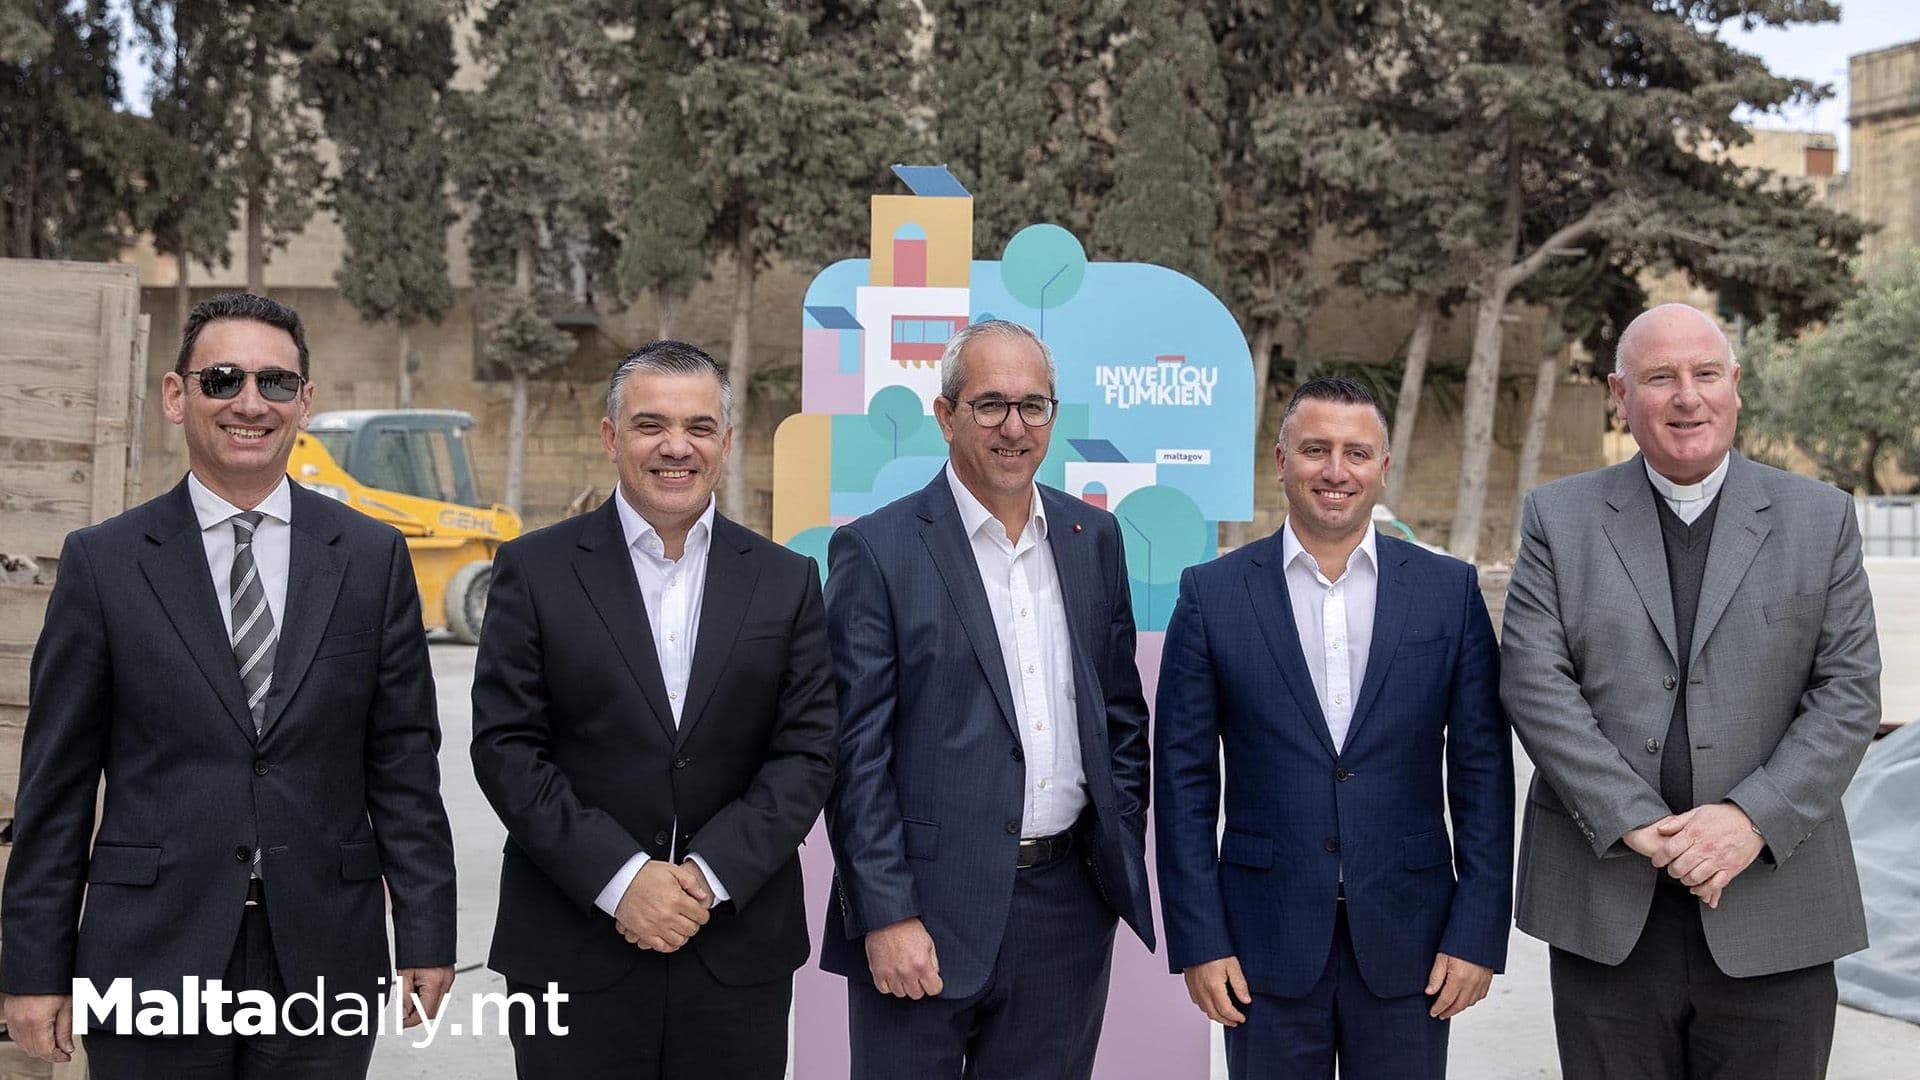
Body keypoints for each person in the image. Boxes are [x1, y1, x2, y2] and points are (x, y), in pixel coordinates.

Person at [0, 292, 457, 1077]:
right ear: (177, 397)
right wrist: (32, 967)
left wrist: (426, 930)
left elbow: (404, 764)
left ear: (304, 402)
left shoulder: (372, 558)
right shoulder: (104, 564)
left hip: (321, 952)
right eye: (222, 379)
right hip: (149, 951)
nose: (250, 402)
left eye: (275, 383)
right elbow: (57, 784)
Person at [1501, 303, 1882, 1080]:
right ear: (1619, 393)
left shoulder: (1821, 519)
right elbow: (1536, 683)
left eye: (1706, 374)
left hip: (1776, 903)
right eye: (1660, 378)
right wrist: (1635, 819)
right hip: (1607, 905)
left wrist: (1749, 821)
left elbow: (1848, 695)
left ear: (1735, 385)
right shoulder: (1557, 518)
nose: (1687, 397)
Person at [470, 340, 836, 1079]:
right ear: (611, 438)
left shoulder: (786, 581)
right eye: (650, 424)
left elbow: (807, 751)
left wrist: (705, 876)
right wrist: (622, 877)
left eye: (700, 427)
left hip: (735, 951)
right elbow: (506, 747)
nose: (677, 446)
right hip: (572, 946)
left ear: (726, 443)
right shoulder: (533, 571)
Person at [820, 319, 1155, 1079]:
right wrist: (887, 913)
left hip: (1066, 914)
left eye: (1034, 406)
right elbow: (853, 753)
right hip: (924, 916)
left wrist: (1115, 838)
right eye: (990, 404)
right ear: (945, 415)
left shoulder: (1092, 537)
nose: (1015, 426)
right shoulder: (878, 549)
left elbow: (1120, 717)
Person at [1155, 376, 1513, 1079]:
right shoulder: (1212, 595)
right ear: (1282, 461)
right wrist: (1200, 940)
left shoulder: (1449, 592)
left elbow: (1483, 776)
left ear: (1383, 468)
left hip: (1413, 942)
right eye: (1316, 449)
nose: (1336, 470)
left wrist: (1476, 931)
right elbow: (1182, 784)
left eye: (1357, 452)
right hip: (1262, 942)